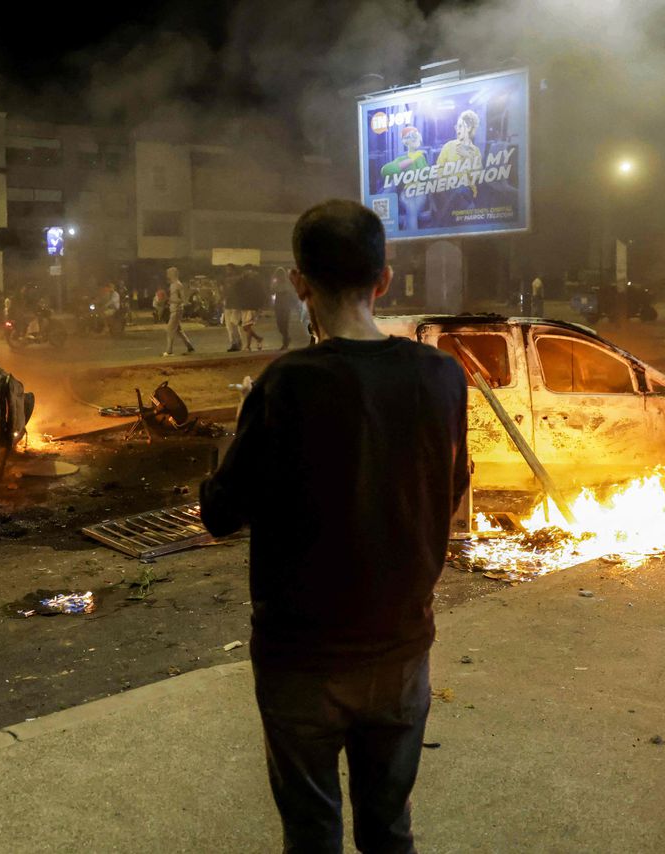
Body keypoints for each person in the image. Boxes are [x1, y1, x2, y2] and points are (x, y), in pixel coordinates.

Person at [199, 199, 468, 853]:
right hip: (401, 648)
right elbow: (453, 488)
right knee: (389, 829)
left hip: (302, 660)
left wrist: (230, 443)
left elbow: (220, 512)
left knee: (312, 833)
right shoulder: (441, 375)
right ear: (385, 280)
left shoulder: (286, 384)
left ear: (299, 283)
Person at [161, 267, 195, 357]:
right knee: (178, 330)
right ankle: (190, 347)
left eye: (168, 273)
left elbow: (183, 299)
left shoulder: (178, 285)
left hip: (177, 310)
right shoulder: (173, 285)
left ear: (173, 274)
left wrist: (170, 300)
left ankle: (169, 351)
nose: (167, 275)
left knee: (170, 330)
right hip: (173, 309)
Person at [234, 265, 267, 351]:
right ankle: (258, 338)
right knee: (245, 327)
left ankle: (248, 346)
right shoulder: (242, 281)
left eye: (249, 271)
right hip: (244, 306)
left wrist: (260, 306)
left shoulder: (256, 282)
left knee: (247, 326)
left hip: (252, 306)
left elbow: (262, 294)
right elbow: (237, 290)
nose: (248, 272)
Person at [270, 266, 299, 350]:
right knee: (280, 324)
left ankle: (285, 342)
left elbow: (292, 292)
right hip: (279, 305)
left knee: (284, 324)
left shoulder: (288, 282)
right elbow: (272, 291)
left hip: (286, 305)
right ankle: (286, 338)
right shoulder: (276, 282)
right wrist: (274, 285)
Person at [220, 265, 242, 352]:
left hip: (236, 305)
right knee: (229, 326)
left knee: (233, 324)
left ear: (234, 270)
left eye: (230, 269)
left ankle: (237, 343)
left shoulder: (238, 279)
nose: (228, 271)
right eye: (227, 270)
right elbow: (224, 292)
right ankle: (234, 343)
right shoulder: (225, 280)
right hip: (228, 305)